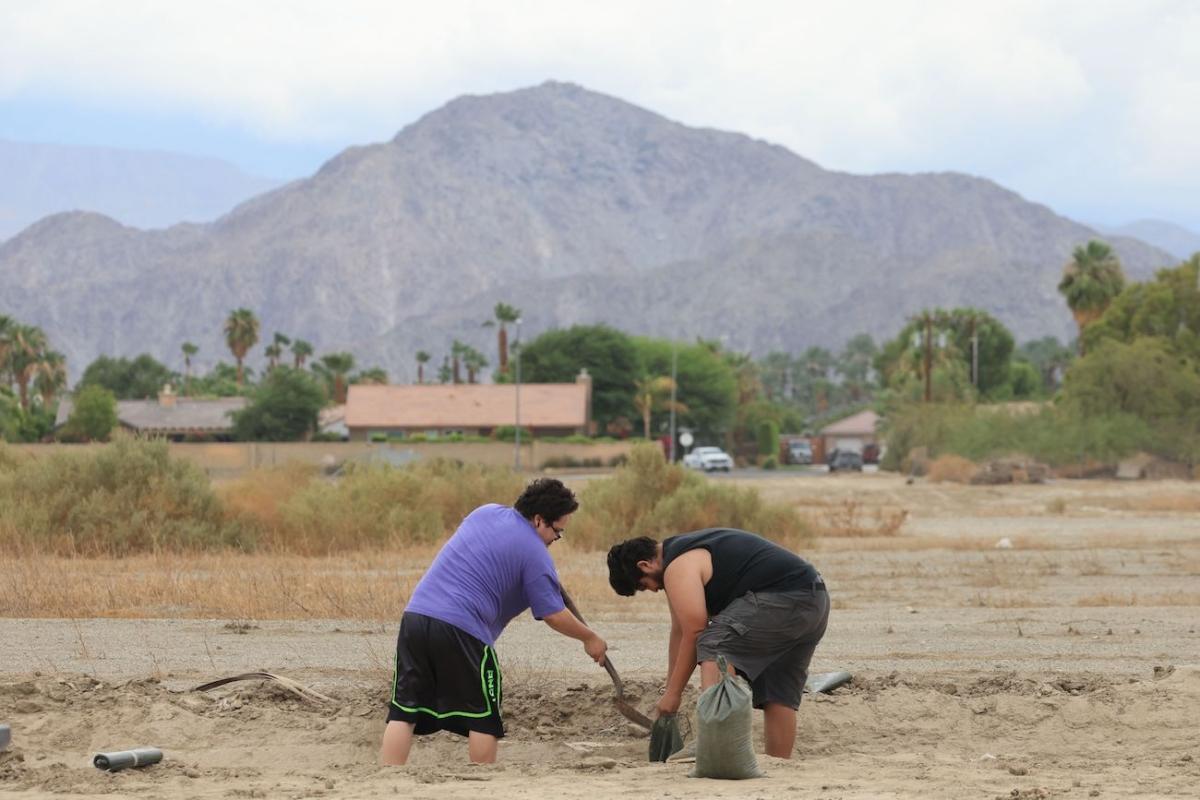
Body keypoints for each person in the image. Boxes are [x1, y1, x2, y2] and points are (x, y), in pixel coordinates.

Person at [380, 478, 607, 765]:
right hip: (462, 629)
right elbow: (553, 614)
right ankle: (483, 783)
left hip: (416, 617)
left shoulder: (485, 512)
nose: (555, 540)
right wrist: (590, 637)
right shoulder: (536, 555)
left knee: (405, 710)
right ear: (539, 520)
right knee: (483, 716)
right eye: (557, 532)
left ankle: (388, 780)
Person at [606, 528, 828, 758]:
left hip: (783, 599)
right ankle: (779, 763)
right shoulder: (684, 551)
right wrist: (669, 688)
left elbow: (695, 631)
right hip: (814, 600)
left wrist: (674, 695)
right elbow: (680, 632)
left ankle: (717, 742)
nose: (652, 590)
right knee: (778, 690)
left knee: (714, 644)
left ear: (644, 565)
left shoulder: (677, 567)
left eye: (643, 586)